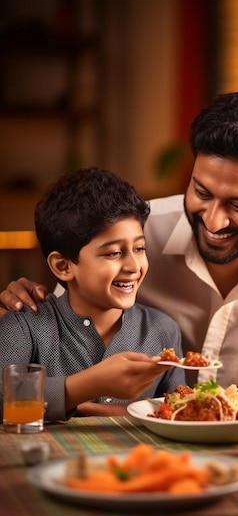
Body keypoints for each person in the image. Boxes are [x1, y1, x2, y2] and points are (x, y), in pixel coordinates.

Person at [0, 91, 238, 413]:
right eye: (201, 192)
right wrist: (24, 303)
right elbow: (64, 315)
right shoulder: (137, 229)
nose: (214, 221)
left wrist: (224, 408)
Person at [0, 167, 184, 422]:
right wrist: (88, 385)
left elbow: (179, 411)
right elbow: (3, 397)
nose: (134, 266)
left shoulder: (163, 330)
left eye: (139, 248)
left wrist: (88, 408)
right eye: (113, 253)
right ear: (63, 266)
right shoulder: (23, 322)